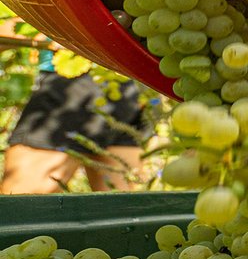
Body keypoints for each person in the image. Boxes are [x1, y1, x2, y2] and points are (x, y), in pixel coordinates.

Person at [0, 21, 153, 193]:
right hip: (132, 89)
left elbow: (32, 18)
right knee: (121, 210)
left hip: (76, 89)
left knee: (21, 208)